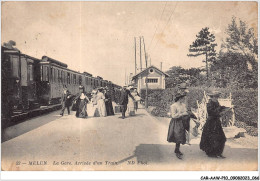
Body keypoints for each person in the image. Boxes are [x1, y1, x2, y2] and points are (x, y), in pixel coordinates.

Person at [200, 91, 228, 158]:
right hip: (211, 122)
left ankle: (218, 152)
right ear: (212, 97)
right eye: (215, 97)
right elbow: (211, 112)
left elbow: (219, 108)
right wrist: (219, 110)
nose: (216, 98)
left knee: (221, 137)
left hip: (217, 122)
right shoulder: (209, 103)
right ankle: (211, 153)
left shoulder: (217, 102)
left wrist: (225, 108)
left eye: (217, 97)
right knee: (212, 138)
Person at [167, 93, 189, 159]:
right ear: (179, 99)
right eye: (182, 98)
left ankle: (177, 149)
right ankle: (177, 151)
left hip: (182, 121)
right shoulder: (173, 106)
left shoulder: (183, 105)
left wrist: (186, 113)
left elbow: (186, 111)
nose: (183, 99)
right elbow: (173, 116)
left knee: (181, 135)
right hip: (176, 122)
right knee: (177, 136)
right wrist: (182, 114)